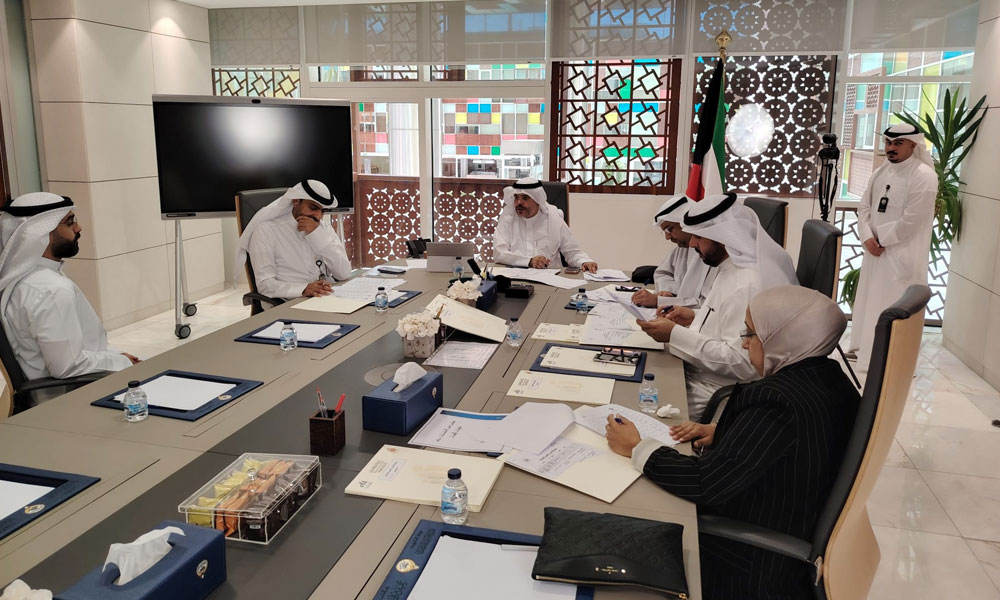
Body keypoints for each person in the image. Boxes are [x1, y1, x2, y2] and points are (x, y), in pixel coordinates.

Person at [606, 286, 860, 600]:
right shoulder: (831, 379)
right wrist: (725, 432)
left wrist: (637, 447)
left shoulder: (776, 401)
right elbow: (795, 443)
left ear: (782, 337)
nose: (744, 342)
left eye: (751, 333)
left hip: (751, 565)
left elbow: (705, 483)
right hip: (789, 517)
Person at [636, 193, 798, 419]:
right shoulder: (731, 267)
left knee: (637, 405)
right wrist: (694, 316)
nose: (692, 243)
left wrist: (674, 335)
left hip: (715, 391)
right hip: (697, 372)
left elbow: (743, 363)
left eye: (699, 237)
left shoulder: (747, 284)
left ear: (721, 236)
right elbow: (727, 321)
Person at [0, 192, 137, 381]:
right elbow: (67, 367)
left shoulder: (29, 279)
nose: (78, 228)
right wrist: (121, 362)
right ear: (42, 232)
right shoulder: (51, 289)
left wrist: (115, 356)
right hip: (73, 391)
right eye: (70, 222)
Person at [849, 124, 936, 372]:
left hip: (901, 257)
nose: (890, 148)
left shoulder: (923, 175)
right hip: (875, 252)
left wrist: (881, 240)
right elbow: (864, 207)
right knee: (871, 302)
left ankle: (892, 363)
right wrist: (867, 237)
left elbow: (914, 219)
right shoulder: (881, 171)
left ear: (913, 145)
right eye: (888, 143)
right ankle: (866, 352)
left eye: (898, 143)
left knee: (892, 305)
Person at [234, 179, 352, 302]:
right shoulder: (266, 230)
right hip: (288, 301)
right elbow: (265, 285)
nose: (318, 216)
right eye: (313, 207)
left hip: (326, 297)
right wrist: (304, 289)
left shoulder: (323, 228)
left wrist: (317, 234)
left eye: (323, 211)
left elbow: (343, 274)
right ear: (296, 201)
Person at [492, 177, 598, 272]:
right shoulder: (508, 219)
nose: (519, 202)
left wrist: (584, 261)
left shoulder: (554, 218)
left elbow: (571, 251)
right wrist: (529, 261)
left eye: (525, 198)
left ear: (537, 199)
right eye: (516, 197)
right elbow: (499, 253)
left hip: (550, 278)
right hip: (516, 277)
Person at [631, 195, 716, 309]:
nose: (667, 237)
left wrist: (661, 301)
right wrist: (667, 291)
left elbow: (708, 306)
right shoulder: (682, 248)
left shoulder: (715, 254)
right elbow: (663, 273)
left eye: (669, 229)